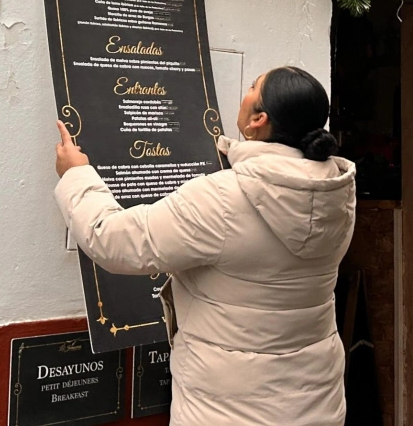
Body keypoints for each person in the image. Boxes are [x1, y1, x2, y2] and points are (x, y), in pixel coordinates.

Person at [53, 66, 356, 425]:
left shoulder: (223, 199)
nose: (244, 91)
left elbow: (113, 239)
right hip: (316, 404)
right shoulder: (335, 194)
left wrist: (75, 175)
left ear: (259, 118)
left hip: (229, 411)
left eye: (251, 86)